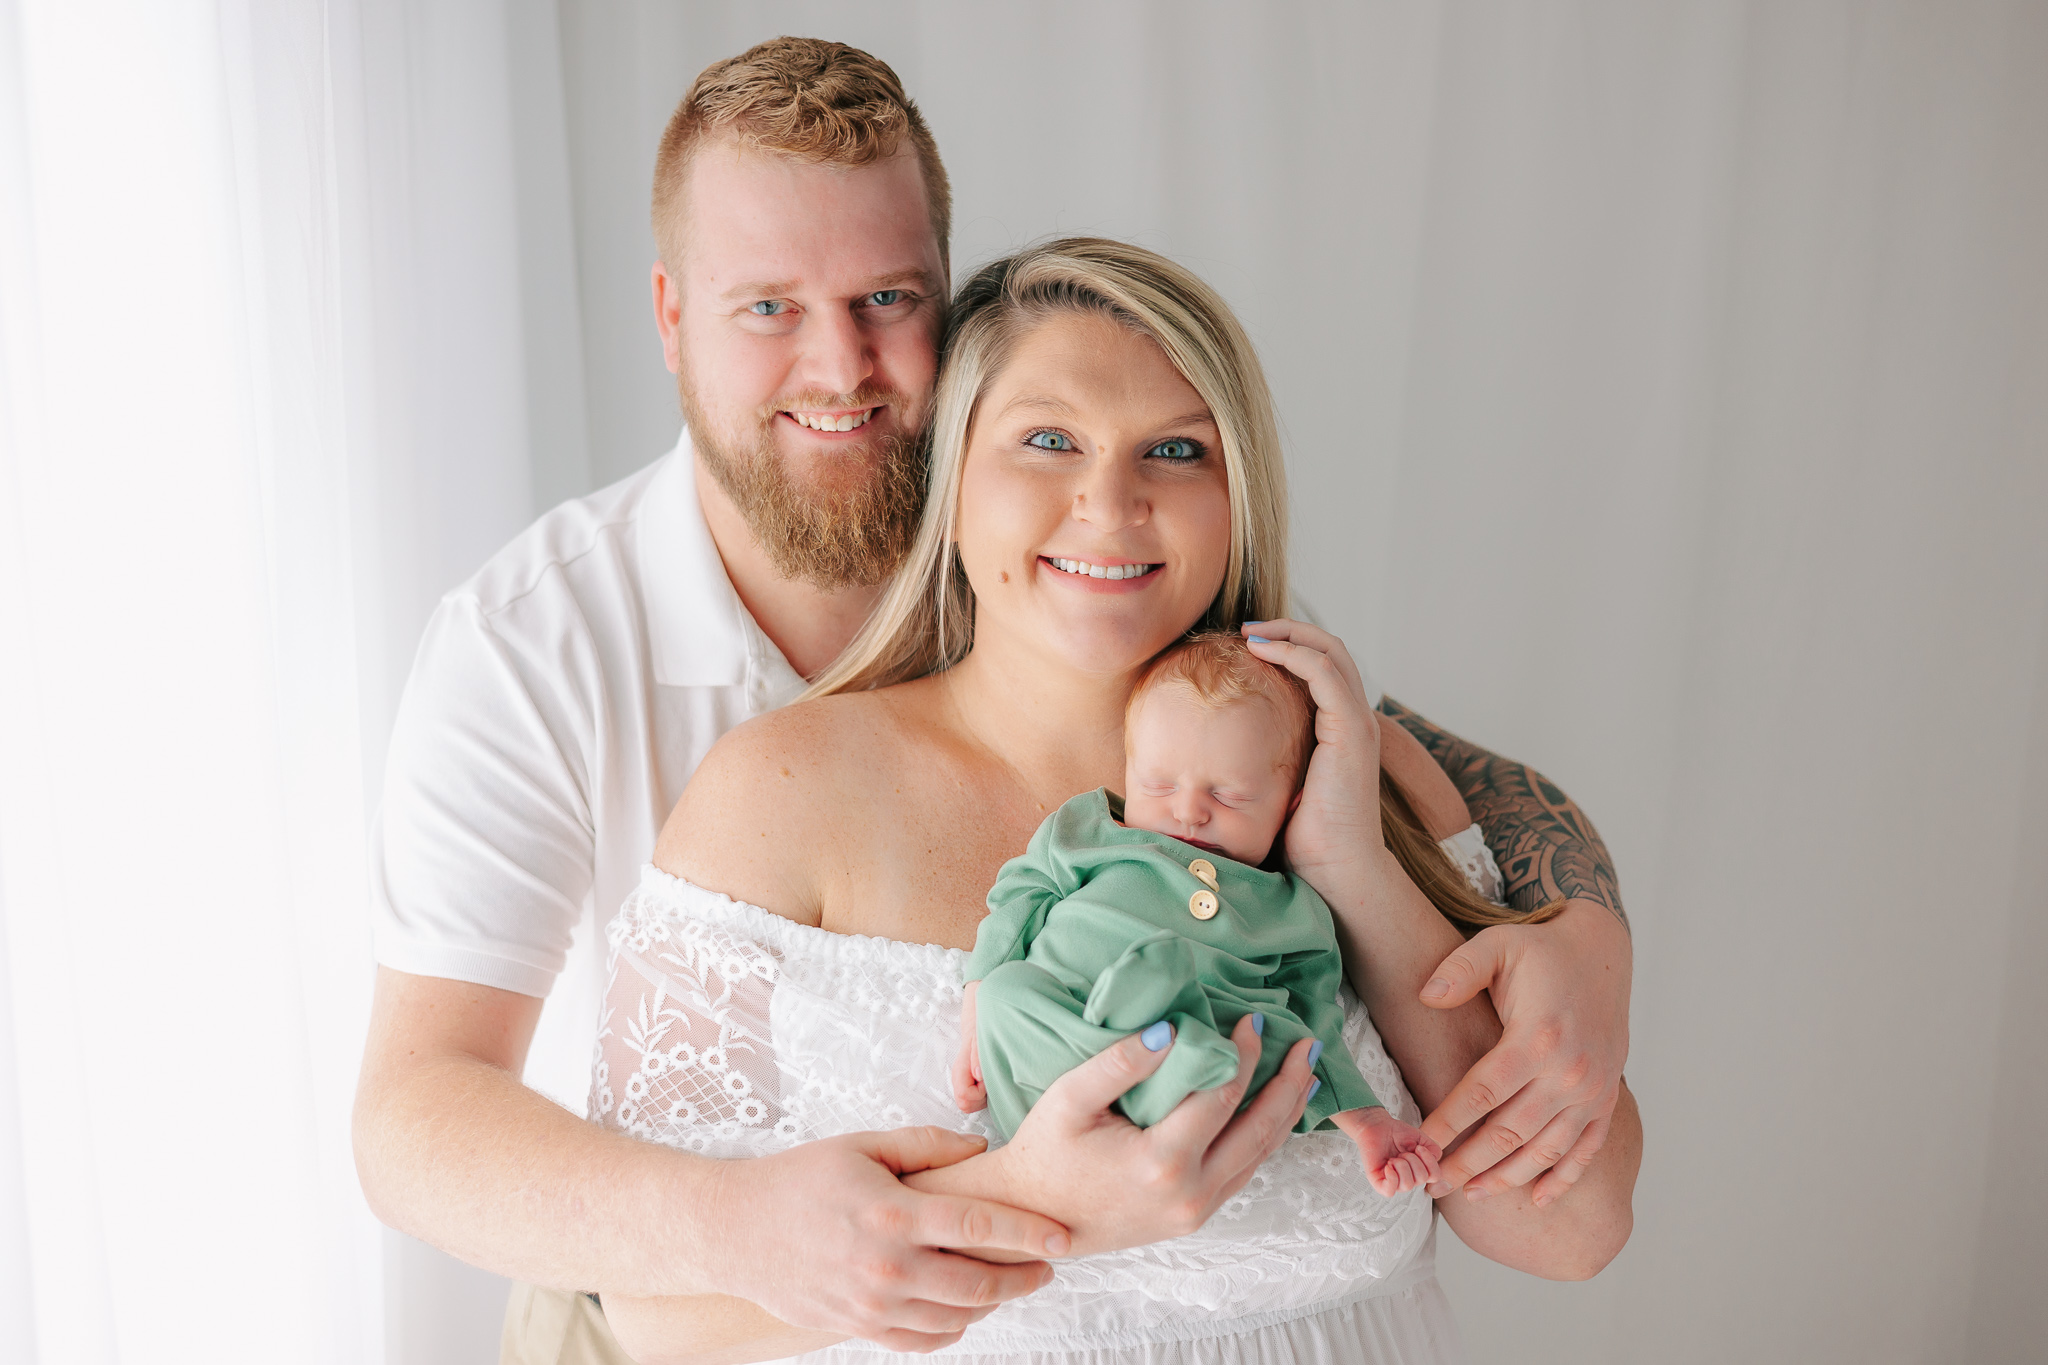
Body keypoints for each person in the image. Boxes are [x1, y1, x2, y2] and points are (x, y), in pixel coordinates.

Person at [350, 37, 1636, 1363]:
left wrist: (1580, 916)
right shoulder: (551, 650)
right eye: (767, 307)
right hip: (643, 1247)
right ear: (672, 316)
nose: (840, 367)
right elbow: (432, 1128)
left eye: (887, 298)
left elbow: (1563, 1184)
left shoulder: (1247, 715)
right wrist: (947, 1210)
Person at [590, 237, 1639, 1363]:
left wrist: (1351, 869)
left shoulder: (1358, 765)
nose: (1110, 501)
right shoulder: (781, 795)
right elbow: (652, 1319)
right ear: (949, 489)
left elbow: (1569, 1231)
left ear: (1237, 499)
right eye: (1046, 441)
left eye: (1176, 451)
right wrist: (1030, 1208)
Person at [953, 630, 1445, 1199]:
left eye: (1231, 796)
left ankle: (1174, 1046)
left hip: (1207, 1051)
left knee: (1259, 1037)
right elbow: (1021, 896)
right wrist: (977, 995)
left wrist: (1367, 1121)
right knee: (1008, 991)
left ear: (1291, 805)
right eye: (1158, 785)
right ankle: (1154, 1043)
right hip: (1057, 1063)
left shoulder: (1292, 909)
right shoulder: (1089, 833)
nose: (1188, 811)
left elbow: (1316, 1020)